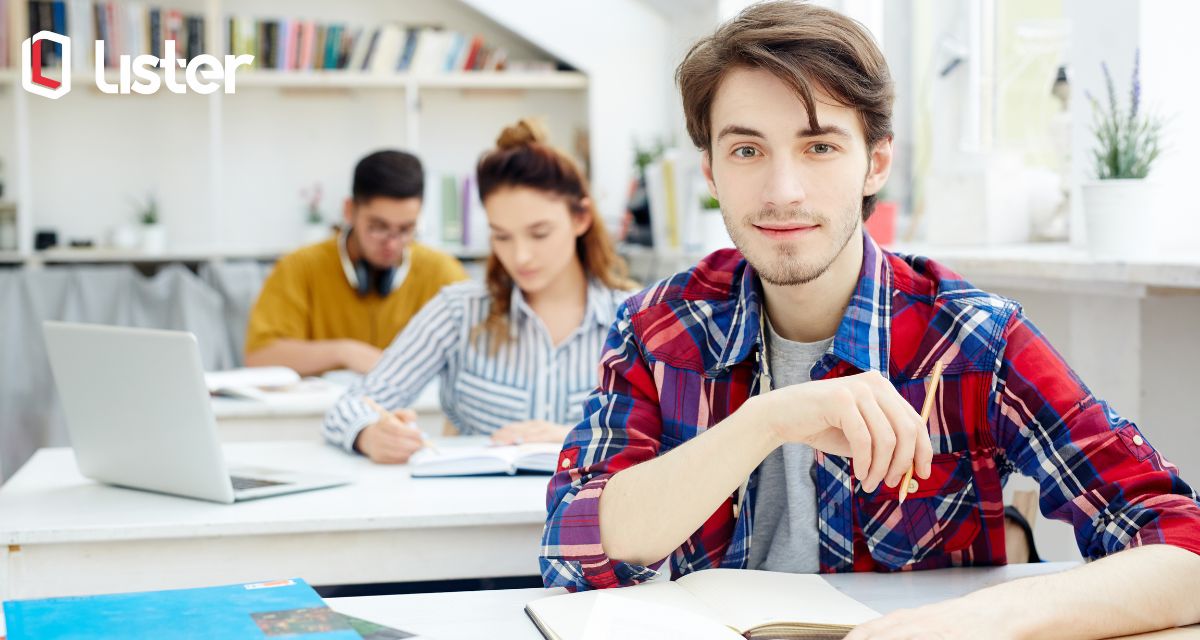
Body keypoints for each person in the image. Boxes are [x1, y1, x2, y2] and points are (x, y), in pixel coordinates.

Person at [540, 3, 1200, 638]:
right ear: (710, 169)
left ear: (874, 163)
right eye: (747, 151)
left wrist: (991, 617)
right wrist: (771, 420)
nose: (782, 191)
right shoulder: (659, 327)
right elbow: (574, 543)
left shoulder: (971, 339)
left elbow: (1182, 543)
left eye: (820, 147)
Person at [324, 119, 637, 464]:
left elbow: (678, 441)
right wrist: (370, 433)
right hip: (475, 511)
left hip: (592, 514)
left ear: (581, 219)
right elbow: (350, 406)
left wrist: (576, 440)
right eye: (502, 236)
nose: (520, 256)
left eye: (539, 233)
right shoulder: (458, 311)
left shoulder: (635, 319)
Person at [244, 150, 468, 375]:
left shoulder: (442, 272)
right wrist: (344, 352)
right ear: (349, 211)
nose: (392, 244)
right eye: (379, 227)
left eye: (405, 229)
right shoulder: (299, 268)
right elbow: (260, 356)